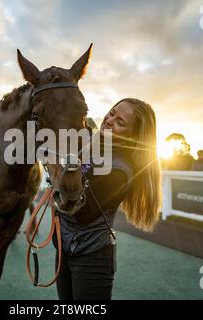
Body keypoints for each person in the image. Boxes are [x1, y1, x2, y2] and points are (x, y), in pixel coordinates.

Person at [53, 98, 162, 300]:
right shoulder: (90, 145)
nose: (110, 120)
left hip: (92, 258)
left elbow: (80, 213)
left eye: (120, 122)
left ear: (134, 136)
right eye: (112, 113)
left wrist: (63, 169)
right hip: (64, 248)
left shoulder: (119, 171)